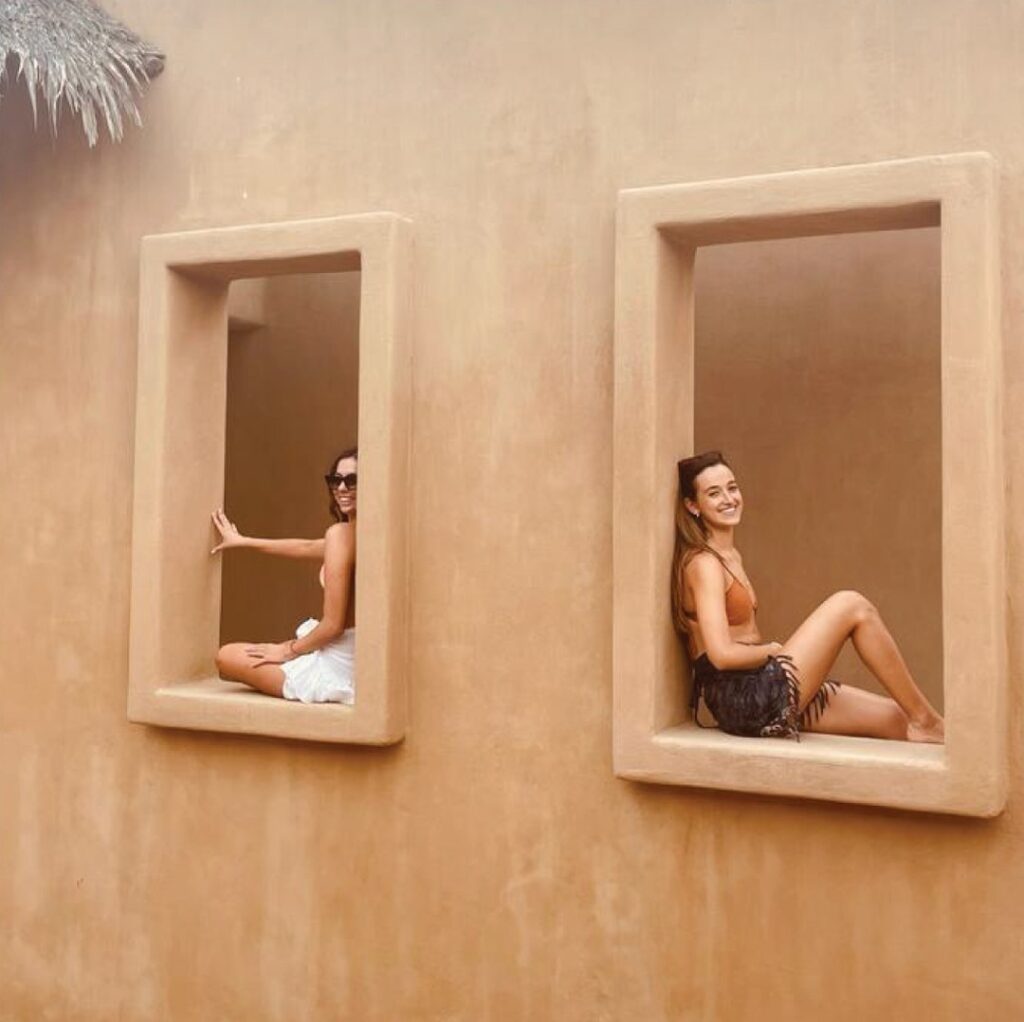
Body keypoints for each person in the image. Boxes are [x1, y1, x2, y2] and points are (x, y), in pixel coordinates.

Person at [671, 451, 944, 743]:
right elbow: (721, 655)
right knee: (852, 605)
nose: (728, 498)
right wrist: (774, 650)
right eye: (714, 493)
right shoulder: (704, 564)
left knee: (897, 717)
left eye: (732, 488)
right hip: (744, 699)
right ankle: (926, 721)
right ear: (693, 505)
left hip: (762, 682)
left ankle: (938, 731)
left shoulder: (730, 556)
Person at [211, 447, 358, 704]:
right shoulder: (361, 534)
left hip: (339, 662)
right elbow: (306, 547)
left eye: (352, 480)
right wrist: (244, 541)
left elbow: (333, 626)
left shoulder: (341, 534)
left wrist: (287, 650)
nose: (342, 488)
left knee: (227, 656)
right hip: (355, 655)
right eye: (335, 480)